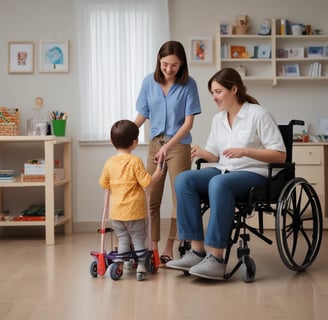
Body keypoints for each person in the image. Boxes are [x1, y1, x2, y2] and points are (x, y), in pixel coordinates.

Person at [166, 67, 286, 279]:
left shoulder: (258, 114)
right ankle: (196, 251)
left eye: (218, 92)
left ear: (234, 89)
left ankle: (216, 258)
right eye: (212, 92)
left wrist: (246, 151)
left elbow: (279, 155)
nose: (214, 97)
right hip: (225, 170)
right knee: (184, 179)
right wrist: (204, 152)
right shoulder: (218, 120)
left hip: (255, 173)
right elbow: (215, 155)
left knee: (219, 183)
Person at [135, 40, 202, 266]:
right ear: (159, 61)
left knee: (179, 199)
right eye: (164, 64)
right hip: (155, 144)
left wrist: (168, 146)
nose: (168, 69)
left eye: (174, 65)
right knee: (150, 196)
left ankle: (169, 246)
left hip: (179, 146)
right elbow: (142, 114)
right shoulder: (148, 82)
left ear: (181, 64)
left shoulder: (189, 85)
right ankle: (152, 248)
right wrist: (125, 133)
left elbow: (188, 123)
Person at [99, 120, 164, 279]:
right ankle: (141, 266)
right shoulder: (135, 162)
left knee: (122, 239)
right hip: (135, 211)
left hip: (117, 212)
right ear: (135, 142)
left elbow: (103, 183)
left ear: (111, 141)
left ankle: (119, 264)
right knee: (138, 238)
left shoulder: (109, 163)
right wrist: (158, 173)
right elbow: (146, 182)